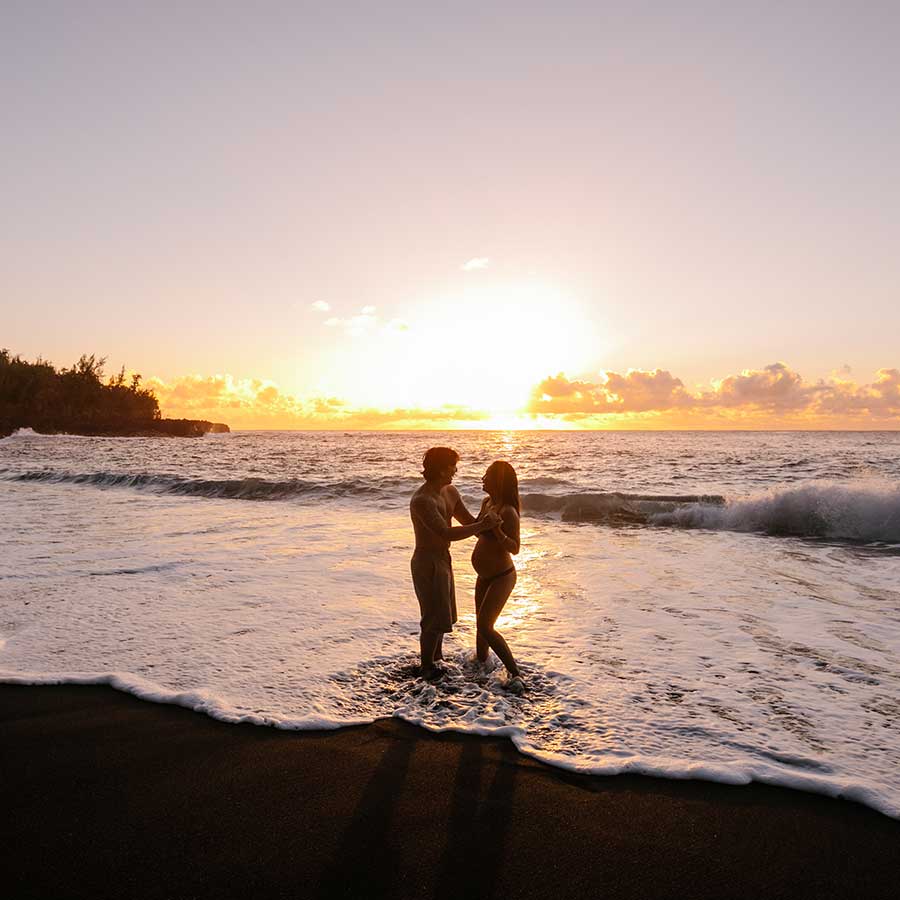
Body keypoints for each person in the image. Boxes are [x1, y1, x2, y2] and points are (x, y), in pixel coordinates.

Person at [409, 447, 500, 682]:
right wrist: (483, 526)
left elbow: (469, 522)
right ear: (440, 469)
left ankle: (437, 659)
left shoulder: (450, 491)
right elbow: (446, 532)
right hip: (426, 561)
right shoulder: (422, 500)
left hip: (444, 560)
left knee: (444, 616)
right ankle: (426, 667)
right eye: (452, 467)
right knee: (431, 618)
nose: (455, 471)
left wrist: (492, 512)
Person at [471, 460, 525, 694]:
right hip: (483, 576)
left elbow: (515, 548)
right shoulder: (486, 502)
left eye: (488, 475)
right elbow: (476, 528)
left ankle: (515, 674)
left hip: (502, 576)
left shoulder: (508, 511)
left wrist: (496, 530)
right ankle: (480, 669)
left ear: (498, 481)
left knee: (486, 625)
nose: (483, 478)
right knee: (480, 628)